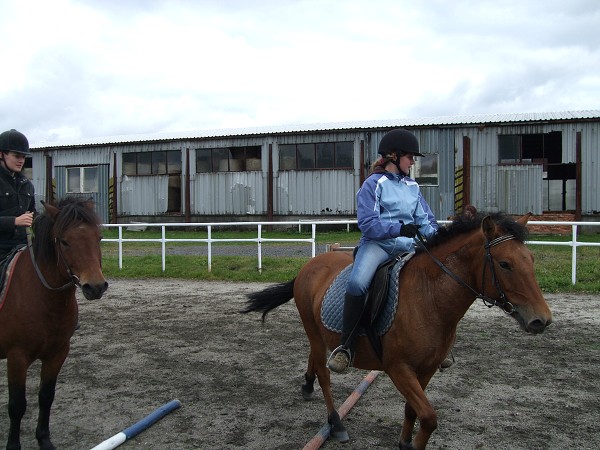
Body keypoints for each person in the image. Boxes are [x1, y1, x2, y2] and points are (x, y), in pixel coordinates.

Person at [327, 128, 439, 374]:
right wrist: (398, 228)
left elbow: (426, 220)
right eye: (410, 156)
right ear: (393, 156)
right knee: (357, 284)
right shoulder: (372, 184)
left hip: (407, 245)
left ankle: (436, 344)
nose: (413, 161)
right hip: (378, 245)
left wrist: (439, 241)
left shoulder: (413, 186)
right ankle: (346, 346)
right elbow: (367, 222)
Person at [0, 129, 36, 262]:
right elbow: (20, 220)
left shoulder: (27, 185)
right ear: (1, 154)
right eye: (17, 156)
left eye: (23, 157)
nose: (21, 161)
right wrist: (14, 221)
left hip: (22, 247)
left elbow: (33, 214)